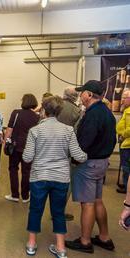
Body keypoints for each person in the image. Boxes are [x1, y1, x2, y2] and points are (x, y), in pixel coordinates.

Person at [23, 96, 87, 258]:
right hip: (61, 178)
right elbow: (78, 156)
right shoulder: (68, 130)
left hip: (39, 177)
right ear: (59, 111)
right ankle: (61, 248)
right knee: (58, 212)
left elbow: (27, 157)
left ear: (43, 110)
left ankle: (31, 245)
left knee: (35, 210)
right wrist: (88, 157)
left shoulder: (35, 131)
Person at [66, 80, 117, 253]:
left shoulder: (93, 115)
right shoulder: (107, 112)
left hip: (89, 164)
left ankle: (85, 241)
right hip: (102, 162)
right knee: (97, 200)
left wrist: (74, 159)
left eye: (82, 93)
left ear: (88, 95)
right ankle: (104, 237)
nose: (80, 96)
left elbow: (84, 143)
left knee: (87, 204)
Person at [4, 94, 39, 203]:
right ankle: (25, 196)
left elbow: (9, 130)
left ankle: (14, 195)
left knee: (13, 169)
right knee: (26, 171)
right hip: (29, 148)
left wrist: (5, 142)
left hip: (15, 146)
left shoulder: (16, 113)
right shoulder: (37, 116)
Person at [56, 87, 82, 221]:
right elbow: (77, 133)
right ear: (75, 97)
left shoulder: (54, 105)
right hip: (65, 152)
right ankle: (59, 212)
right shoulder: (77, 111)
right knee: (66, 183)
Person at [116, 89, 130, 194]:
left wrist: (123, 135)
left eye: (124, 98)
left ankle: (127, 187)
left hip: (127, 143)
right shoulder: (126, 109)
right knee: (125, 165)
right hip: (125, 142)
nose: (122, 100)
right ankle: (125, 184)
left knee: (126, 167)